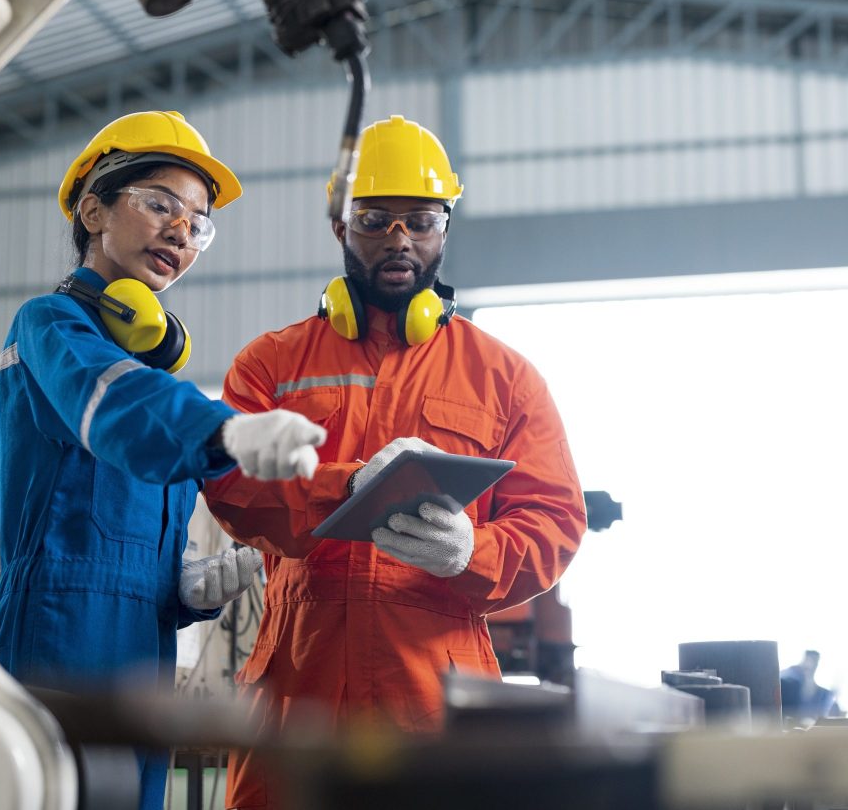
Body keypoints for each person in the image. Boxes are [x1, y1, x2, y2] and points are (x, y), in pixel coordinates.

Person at [202, 115, 588, 809]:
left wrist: (474, 550)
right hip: (301, 688)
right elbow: (229, 484)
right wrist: (343, 490)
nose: (399, 238)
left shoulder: (504, 377)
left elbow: (555, 520)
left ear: (446, 229)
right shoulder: (272, 365)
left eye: (420, 220)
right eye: (375, 220)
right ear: (340, 228)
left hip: (436, 698)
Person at [0, 110, 327, 810]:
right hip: (53, 642)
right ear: (93, 208)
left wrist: (181, 591)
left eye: (197, 223)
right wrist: (230, 431)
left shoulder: (156, 380)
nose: (180, 233)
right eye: (161, 205)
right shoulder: (50, 327)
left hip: (142, 651)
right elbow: (112, 412)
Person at [781, 649, 839, 724]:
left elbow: (824, 716)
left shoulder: (824, 694)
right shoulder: (788, 685)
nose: (809, 665)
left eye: (814, 662)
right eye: (807, 661)